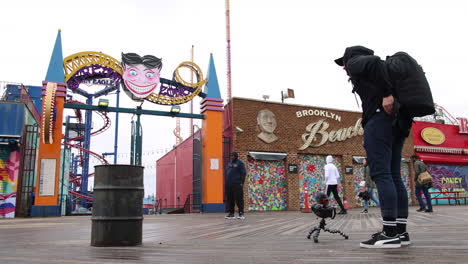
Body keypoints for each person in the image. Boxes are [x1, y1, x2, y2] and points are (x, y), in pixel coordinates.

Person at [335, 46, 413, 248]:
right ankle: (400, 232)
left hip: (379, 119)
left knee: (382, 174)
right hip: (397, 123)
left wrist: (386, 94)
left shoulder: (356, 62)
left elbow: (374, 61)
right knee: (394, 175)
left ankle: (389, 233)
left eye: (343, 63)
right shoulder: (382, 71)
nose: (344, 68)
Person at [225, 152, 247, 219]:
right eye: (231, 155)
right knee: (230, 199)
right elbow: (226, 172)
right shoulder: (229, 163)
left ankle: (241, 213)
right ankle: (231, 213)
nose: (232, 157)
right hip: (229, 185)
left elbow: (243, 173)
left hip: (237, 184)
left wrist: (241, 183)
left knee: (239, 199)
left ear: (236, 156)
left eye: (233, 156)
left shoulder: (240, 163)